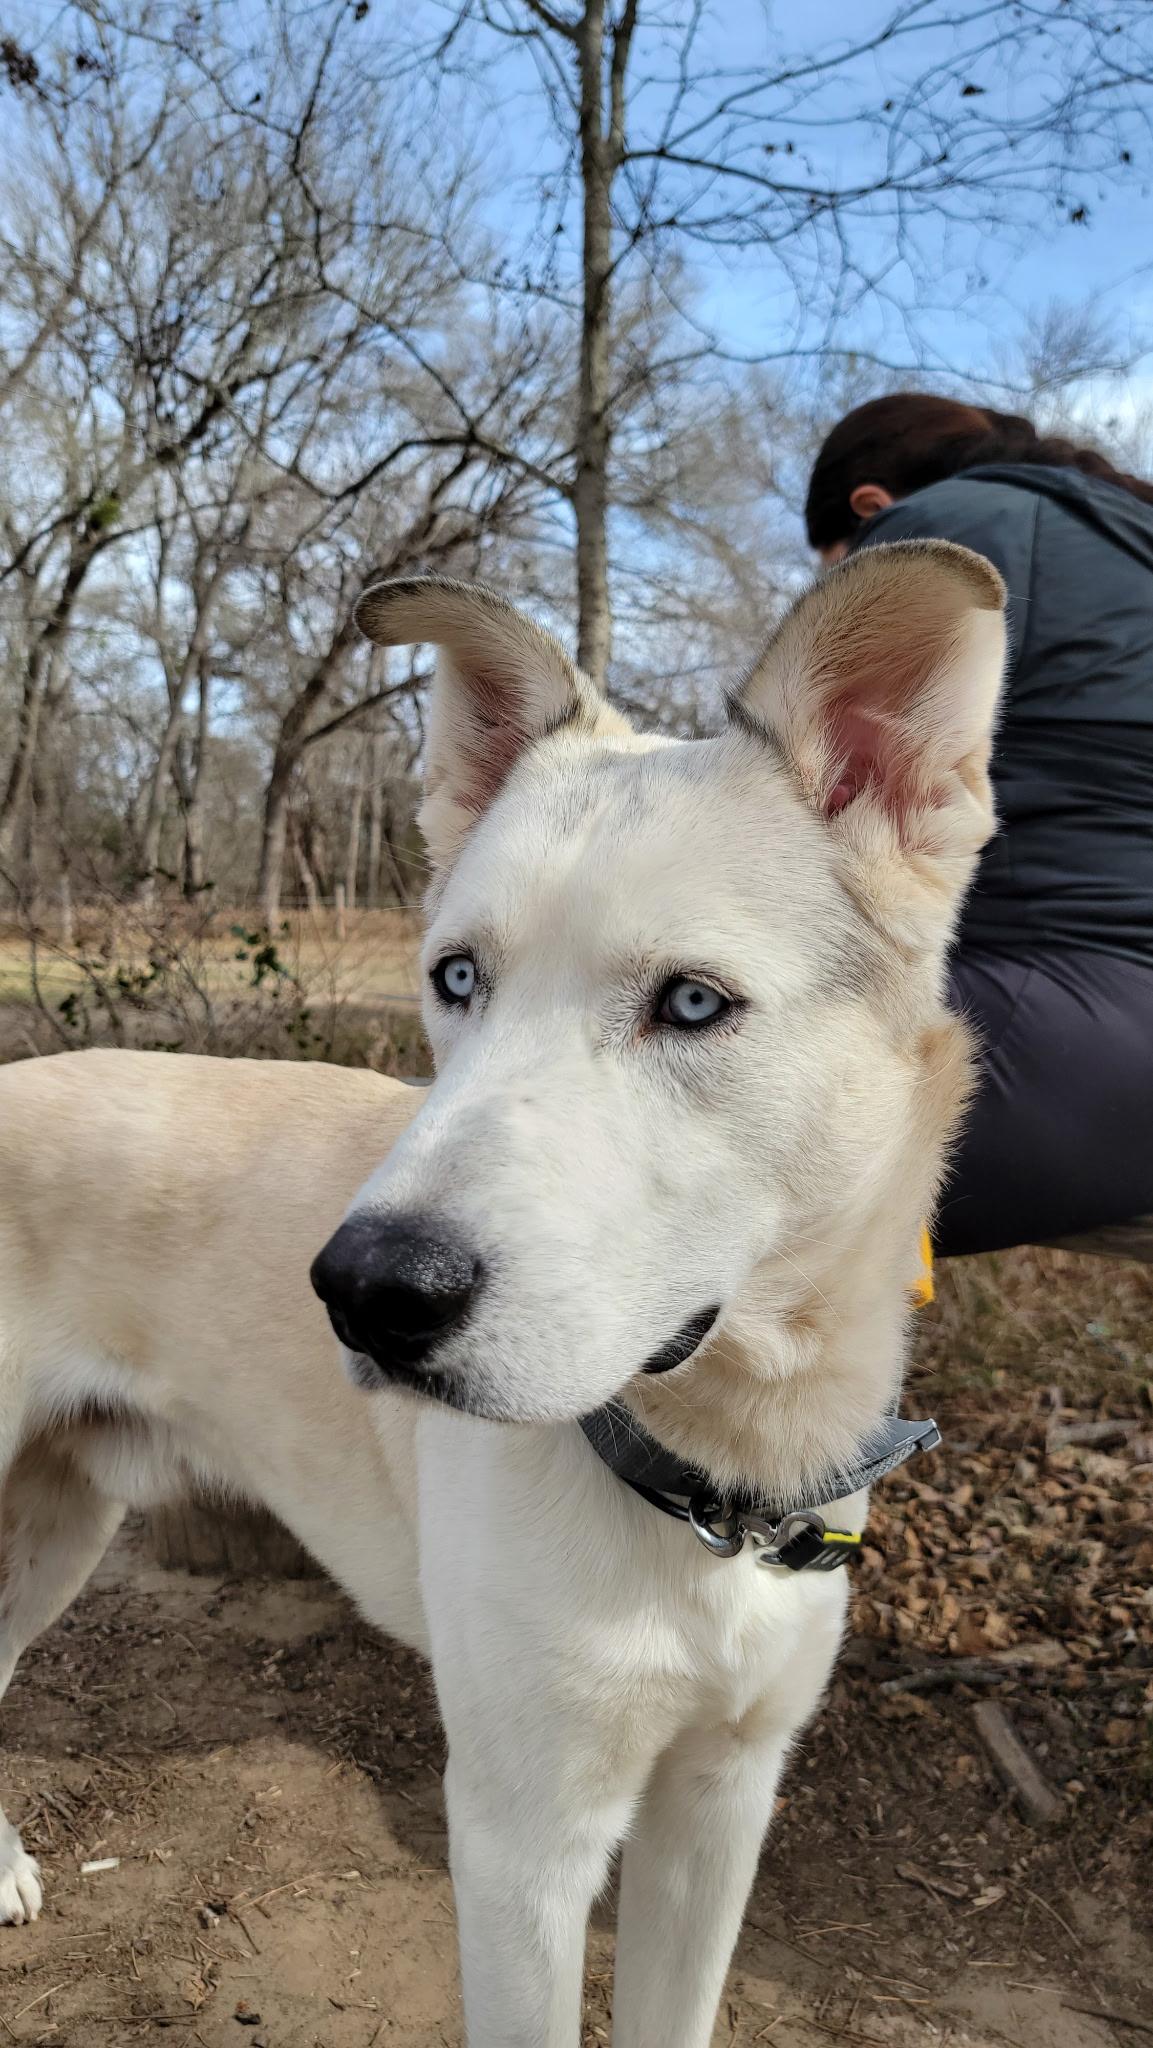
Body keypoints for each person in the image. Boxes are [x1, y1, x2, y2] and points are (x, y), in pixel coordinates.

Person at [804, 394, 1153, 1257]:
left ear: (870, 509)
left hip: (1082, 1042)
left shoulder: (943, 534)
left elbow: (809, 811)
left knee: (616, 1151)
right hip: (1108, 1042)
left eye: (829, 567)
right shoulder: (1123, 550)